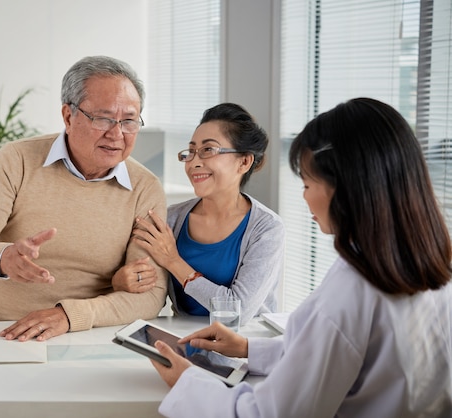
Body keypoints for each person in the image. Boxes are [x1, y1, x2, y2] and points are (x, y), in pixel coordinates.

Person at [150, 97, 452, 417]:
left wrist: (186, 382)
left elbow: (270, 413)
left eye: (307, 183)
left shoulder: (348, 292)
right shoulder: (432, 268)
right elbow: (331, 354)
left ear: (348, 186)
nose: (304, 196)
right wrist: (247, 349)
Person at [0, 56, 168, 342]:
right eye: (103, 119)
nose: (117, 134)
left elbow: (149, 295)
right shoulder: (17, 160)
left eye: (129, 121)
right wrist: (3, 259)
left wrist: (69, 316)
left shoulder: (144, 187)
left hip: (87, 337)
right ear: (68, 116)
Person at [114, 103, 284, 325]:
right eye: (191, 152)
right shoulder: (170, 220)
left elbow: (237, 312)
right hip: (184, 342)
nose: (194, 162)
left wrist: (173, 261)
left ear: (244, 161)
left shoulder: (267, 228)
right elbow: (141, 286)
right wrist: (121, 281)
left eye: (208, 150)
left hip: (244, 346)